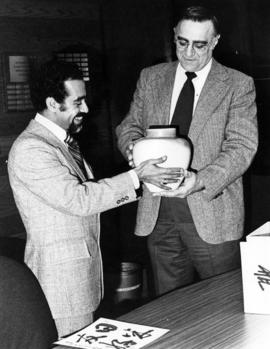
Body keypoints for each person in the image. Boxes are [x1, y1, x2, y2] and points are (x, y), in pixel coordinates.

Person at [7, 59, 182, 337]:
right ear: (53, 103)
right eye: (78, 102)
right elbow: (80, 200)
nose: (86, 109)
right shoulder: (31, 148)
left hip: (81, 279)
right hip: (61, 284)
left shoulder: (60, 142)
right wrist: (137, 177)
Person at [116, 6, 258, 297]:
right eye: (182, 42)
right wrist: (133, 151)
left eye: (200, 44)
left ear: (215, 41)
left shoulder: (237, 84)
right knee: (169, 308)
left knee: (223, 308)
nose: (189, 53)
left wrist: (200, 180)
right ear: (174, 37)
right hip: (158, 214)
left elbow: (242, 147)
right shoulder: (151, 77)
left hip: (211, 211)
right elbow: (128, 126)